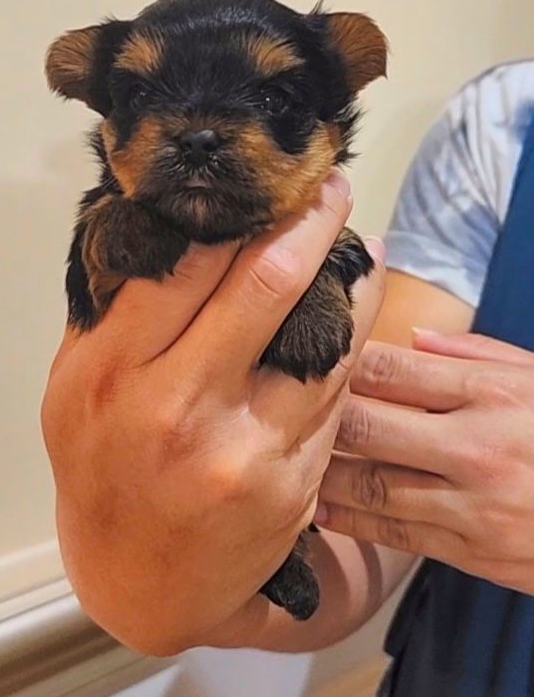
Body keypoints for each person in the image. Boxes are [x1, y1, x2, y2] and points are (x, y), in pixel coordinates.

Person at [41, 58, 534, 696]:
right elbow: (370, 482)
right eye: (139, 96)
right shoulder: (499, 122)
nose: (199, 134)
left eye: (273, 99)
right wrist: (165, 582)